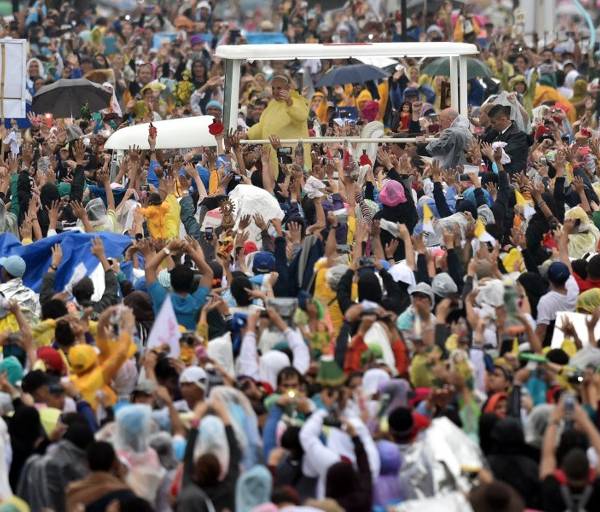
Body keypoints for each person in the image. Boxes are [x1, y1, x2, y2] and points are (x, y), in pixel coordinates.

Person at [487, 104, 530, 173]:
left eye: (493, 122)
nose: (492, 126)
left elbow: (504, 157)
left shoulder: (519, 136)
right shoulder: (495, 133)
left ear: (503, 119)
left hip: (513, 177)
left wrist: (490, 153)